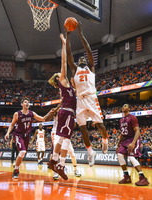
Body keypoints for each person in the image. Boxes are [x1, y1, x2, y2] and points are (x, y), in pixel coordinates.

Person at [66, 21, 108, 167]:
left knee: (100, 126)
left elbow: (88, 50)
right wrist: (67, 36)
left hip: (91, 98)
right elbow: (69, 53)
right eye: (80, 59)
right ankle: (90, 152)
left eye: (84, 58)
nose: (82, 59)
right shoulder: (74, 69)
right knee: (82, 128)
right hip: (80, 101)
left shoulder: (91, 67)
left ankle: (104, 141)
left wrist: (80, 34)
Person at [47, 33, 77, 180]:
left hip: (65, 113)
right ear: (59, 78)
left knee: (60, 138)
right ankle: (61, 165)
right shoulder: (63, 80)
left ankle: (53, 160)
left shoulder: (68, 87)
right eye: (60, 74)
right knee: (66, 139)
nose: (62, 73)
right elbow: (64, 62)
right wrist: (64, 44)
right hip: (67, 113)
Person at [4, 97, 55, 179]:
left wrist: (50, 112)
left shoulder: (32, 113)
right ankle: (16, 170)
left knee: (23, 153)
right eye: (25, 102)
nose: (27, 103)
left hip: (26, 135)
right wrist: (7, 133)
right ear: (22, 104)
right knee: (22, 152)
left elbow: (42, 119)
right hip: (18, 134)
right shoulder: (17, 114)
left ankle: (16, 166)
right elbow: (12, 124)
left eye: (28, 102)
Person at [116, 104, 149, 186]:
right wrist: (118, 144)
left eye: (126, 106)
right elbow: (122, 134)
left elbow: (137, 131)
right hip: (126, 139)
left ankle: (143, 178)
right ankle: (126, 176)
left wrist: (133, 143)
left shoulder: (133, 117)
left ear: (129, 108)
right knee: (119, 154)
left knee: (131, 157)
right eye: (123, 106)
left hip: (134, 138)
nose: (123, 107)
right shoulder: (121, 120)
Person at [49, 104, 81, 180]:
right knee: (56, 152)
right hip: (56, 133)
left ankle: (76, 170)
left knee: (72, 153)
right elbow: (48, 118)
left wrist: (73, 118)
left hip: (64, 133)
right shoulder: (57, 111)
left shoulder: (69, 112)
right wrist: (56, 108)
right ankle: (56, 171)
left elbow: (74, 126)